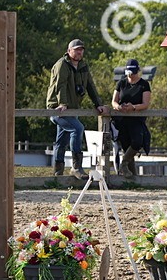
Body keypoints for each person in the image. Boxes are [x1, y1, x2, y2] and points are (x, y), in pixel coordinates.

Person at [46, 38, 107, 179]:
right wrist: (62, 103)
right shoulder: (62, 65)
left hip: (72, 109)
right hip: (57, 108)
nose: (79, 52)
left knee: (61, 140)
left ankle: (57, 174)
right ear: (69, 51)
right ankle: (76, 167)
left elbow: (90, 86)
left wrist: (98, 104)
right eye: (76, 49)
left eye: (81, 49)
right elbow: (60, 86)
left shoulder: (83, 66)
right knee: (77, 129)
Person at [112, 58, 152, 178]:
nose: (131, 75)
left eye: (133, 72)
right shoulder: (121, 83)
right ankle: (131, 177)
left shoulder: (144, 84)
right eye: (129, 72)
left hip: (136, 119)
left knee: (137, 142)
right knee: (126, 146)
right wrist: (119, 107)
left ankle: (124, 163)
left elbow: (145, 104)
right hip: (122, 120)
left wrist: (133, 107)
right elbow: (114, 101)